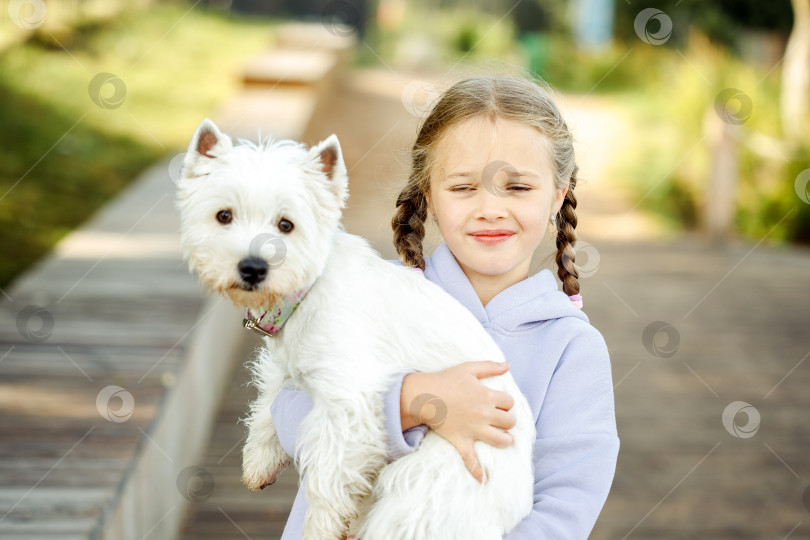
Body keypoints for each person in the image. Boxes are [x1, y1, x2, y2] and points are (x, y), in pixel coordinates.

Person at [270, 75, 619, 539]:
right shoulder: (374, 300)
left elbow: (566, 506)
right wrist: (411, 403)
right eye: (463, 187)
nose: (490, 209)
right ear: (429, 196)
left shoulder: (571, 347)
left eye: (516, 188)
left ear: (558, 194)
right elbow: (290, 416)